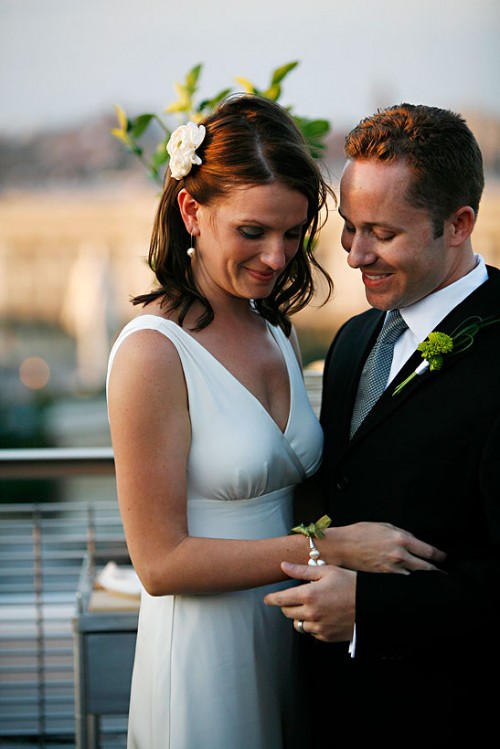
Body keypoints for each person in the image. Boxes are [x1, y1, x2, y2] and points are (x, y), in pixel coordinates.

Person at [106, 94, 444, 749]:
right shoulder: (153, 351)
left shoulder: (274, 328)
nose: (277, 256)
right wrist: (336, 548)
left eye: (293, 233)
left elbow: (305, 491)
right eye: (253, 231)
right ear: (191, 212)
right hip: (205, 653)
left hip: (291, 635)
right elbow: (159, 563)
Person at [265, 103, 500, 744]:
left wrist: (372, 610)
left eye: (382, 233)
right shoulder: (353, 339)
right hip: (333, 710)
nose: (354, 255)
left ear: (458, 224)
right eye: (348, 227)